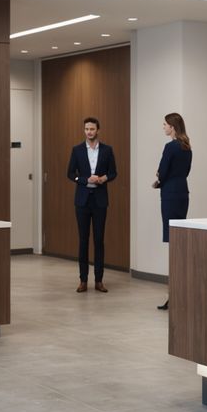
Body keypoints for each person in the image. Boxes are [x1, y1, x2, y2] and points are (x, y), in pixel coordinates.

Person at [67, 117, 117, 293]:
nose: (89, 132)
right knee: (83, 240)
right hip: (82, 201)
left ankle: (99, 280)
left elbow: (113, 173)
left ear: (98, 130)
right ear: (84, 130)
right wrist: (83, 179)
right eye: (86, 129)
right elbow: (70, 173)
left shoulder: (107, 150)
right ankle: (83, 280)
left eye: (92, 129)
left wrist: (103, 178)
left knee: (99, 240)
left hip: (100, 200)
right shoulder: (77, 150)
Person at [154, 112, 192, 310]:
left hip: (169, 194)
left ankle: (173, 293)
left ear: (172, 127)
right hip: (182, 193)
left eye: (165, 124)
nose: (163, 127)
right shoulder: (187, 146)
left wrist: (158, 179)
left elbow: (162, 170)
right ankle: (177, 292)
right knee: (179, 241)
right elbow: (186, 171)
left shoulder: (170, 147)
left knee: (172, 241)